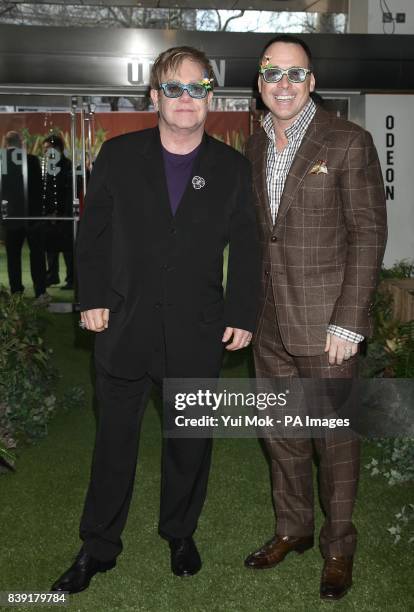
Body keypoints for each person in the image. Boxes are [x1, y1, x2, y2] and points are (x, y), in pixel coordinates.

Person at [51, 46, 260, 594]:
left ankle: (180, 532)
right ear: (155, 97)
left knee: (190, 443)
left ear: (210, 96)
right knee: (113, 443)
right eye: (174, 88)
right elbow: (90, 234)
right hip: (123, 326)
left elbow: (248, 247)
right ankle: (98, 546)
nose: (186, 98)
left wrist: (241, 312)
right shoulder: (117, 156)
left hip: (196, 331)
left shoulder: (232, 168)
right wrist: (90, 296)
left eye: (197, 88)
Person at [243, 34, 387, 601]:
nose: (283, 84)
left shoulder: (348, 141)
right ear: (259, 83)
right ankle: (293, 530)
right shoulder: (254, 146)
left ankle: (339, 546)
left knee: (336, 443)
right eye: (272, 73)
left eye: (295, 74)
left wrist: (349, 323)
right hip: (268, 322)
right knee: (281, 436)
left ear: (312, 82)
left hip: (328, 326)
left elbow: (369, 235)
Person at [1, 130, 48, 302]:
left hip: (10, 216)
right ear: (21, 142)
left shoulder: (1, 161)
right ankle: (40, 292)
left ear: (6, 143)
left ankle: (16, 292)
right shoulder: (31, 160)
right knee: (37, 255)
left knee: (13, 257)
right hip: (32, 216)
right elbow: (39, 188)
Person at [42, 135, 74, 290]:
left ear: (58, 149)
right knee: (51, 247)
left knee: (68, 249)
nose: (46, 152)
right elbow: (47, 191)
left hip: (65, 214)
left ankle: (72, 279)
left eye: (49, 148)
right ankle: (52, 275)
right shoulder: (47, 167)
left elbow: (67, 192)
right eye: (45, 149)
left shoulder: (67, 165)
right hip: (50, 214)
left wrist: (61, 212)